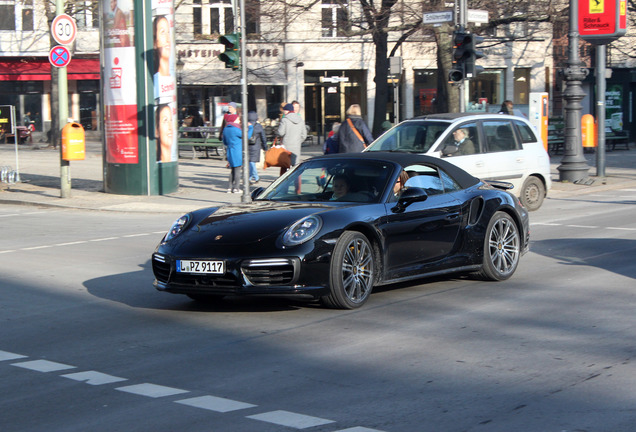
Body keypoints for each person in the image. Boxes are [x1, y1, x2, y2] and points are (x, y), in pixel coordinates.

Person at [222, 113, 253, 193]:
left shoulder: (226, 129)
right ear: (234, 120)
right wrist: (250, 127)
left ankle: (229, 187)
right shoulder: (235, 129)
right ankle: (236, 188)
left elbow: (224, 142)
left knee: (232, 170)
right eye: (237, 119)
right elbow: (247, 136)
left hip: (229, 151)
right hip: (237, 151)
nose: (239, 120)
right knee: (238, 170)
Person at [277, 102, 307, 171]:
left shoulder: (284, 120)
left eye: (284, 110)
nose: (283, 112)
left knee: (284, 165)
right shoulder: (301, 120)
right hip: (296, 146)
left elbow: (280, 133)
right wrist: (298, 141)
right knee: (296, 166)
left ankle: (285, 181)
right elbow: (304, 135)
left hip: (286, 146)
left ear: (287, 110)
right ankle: (296, 181)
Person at [247, 111, 268, 184]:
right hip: (256, 147)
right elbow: (263, 137)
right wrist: (265, 147)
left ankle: (251, 178)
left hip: (247, 147)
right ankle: (255, 177)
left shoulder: (246, 125)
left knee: (250, 162)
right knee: (252, 162)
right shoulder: (259, 126)